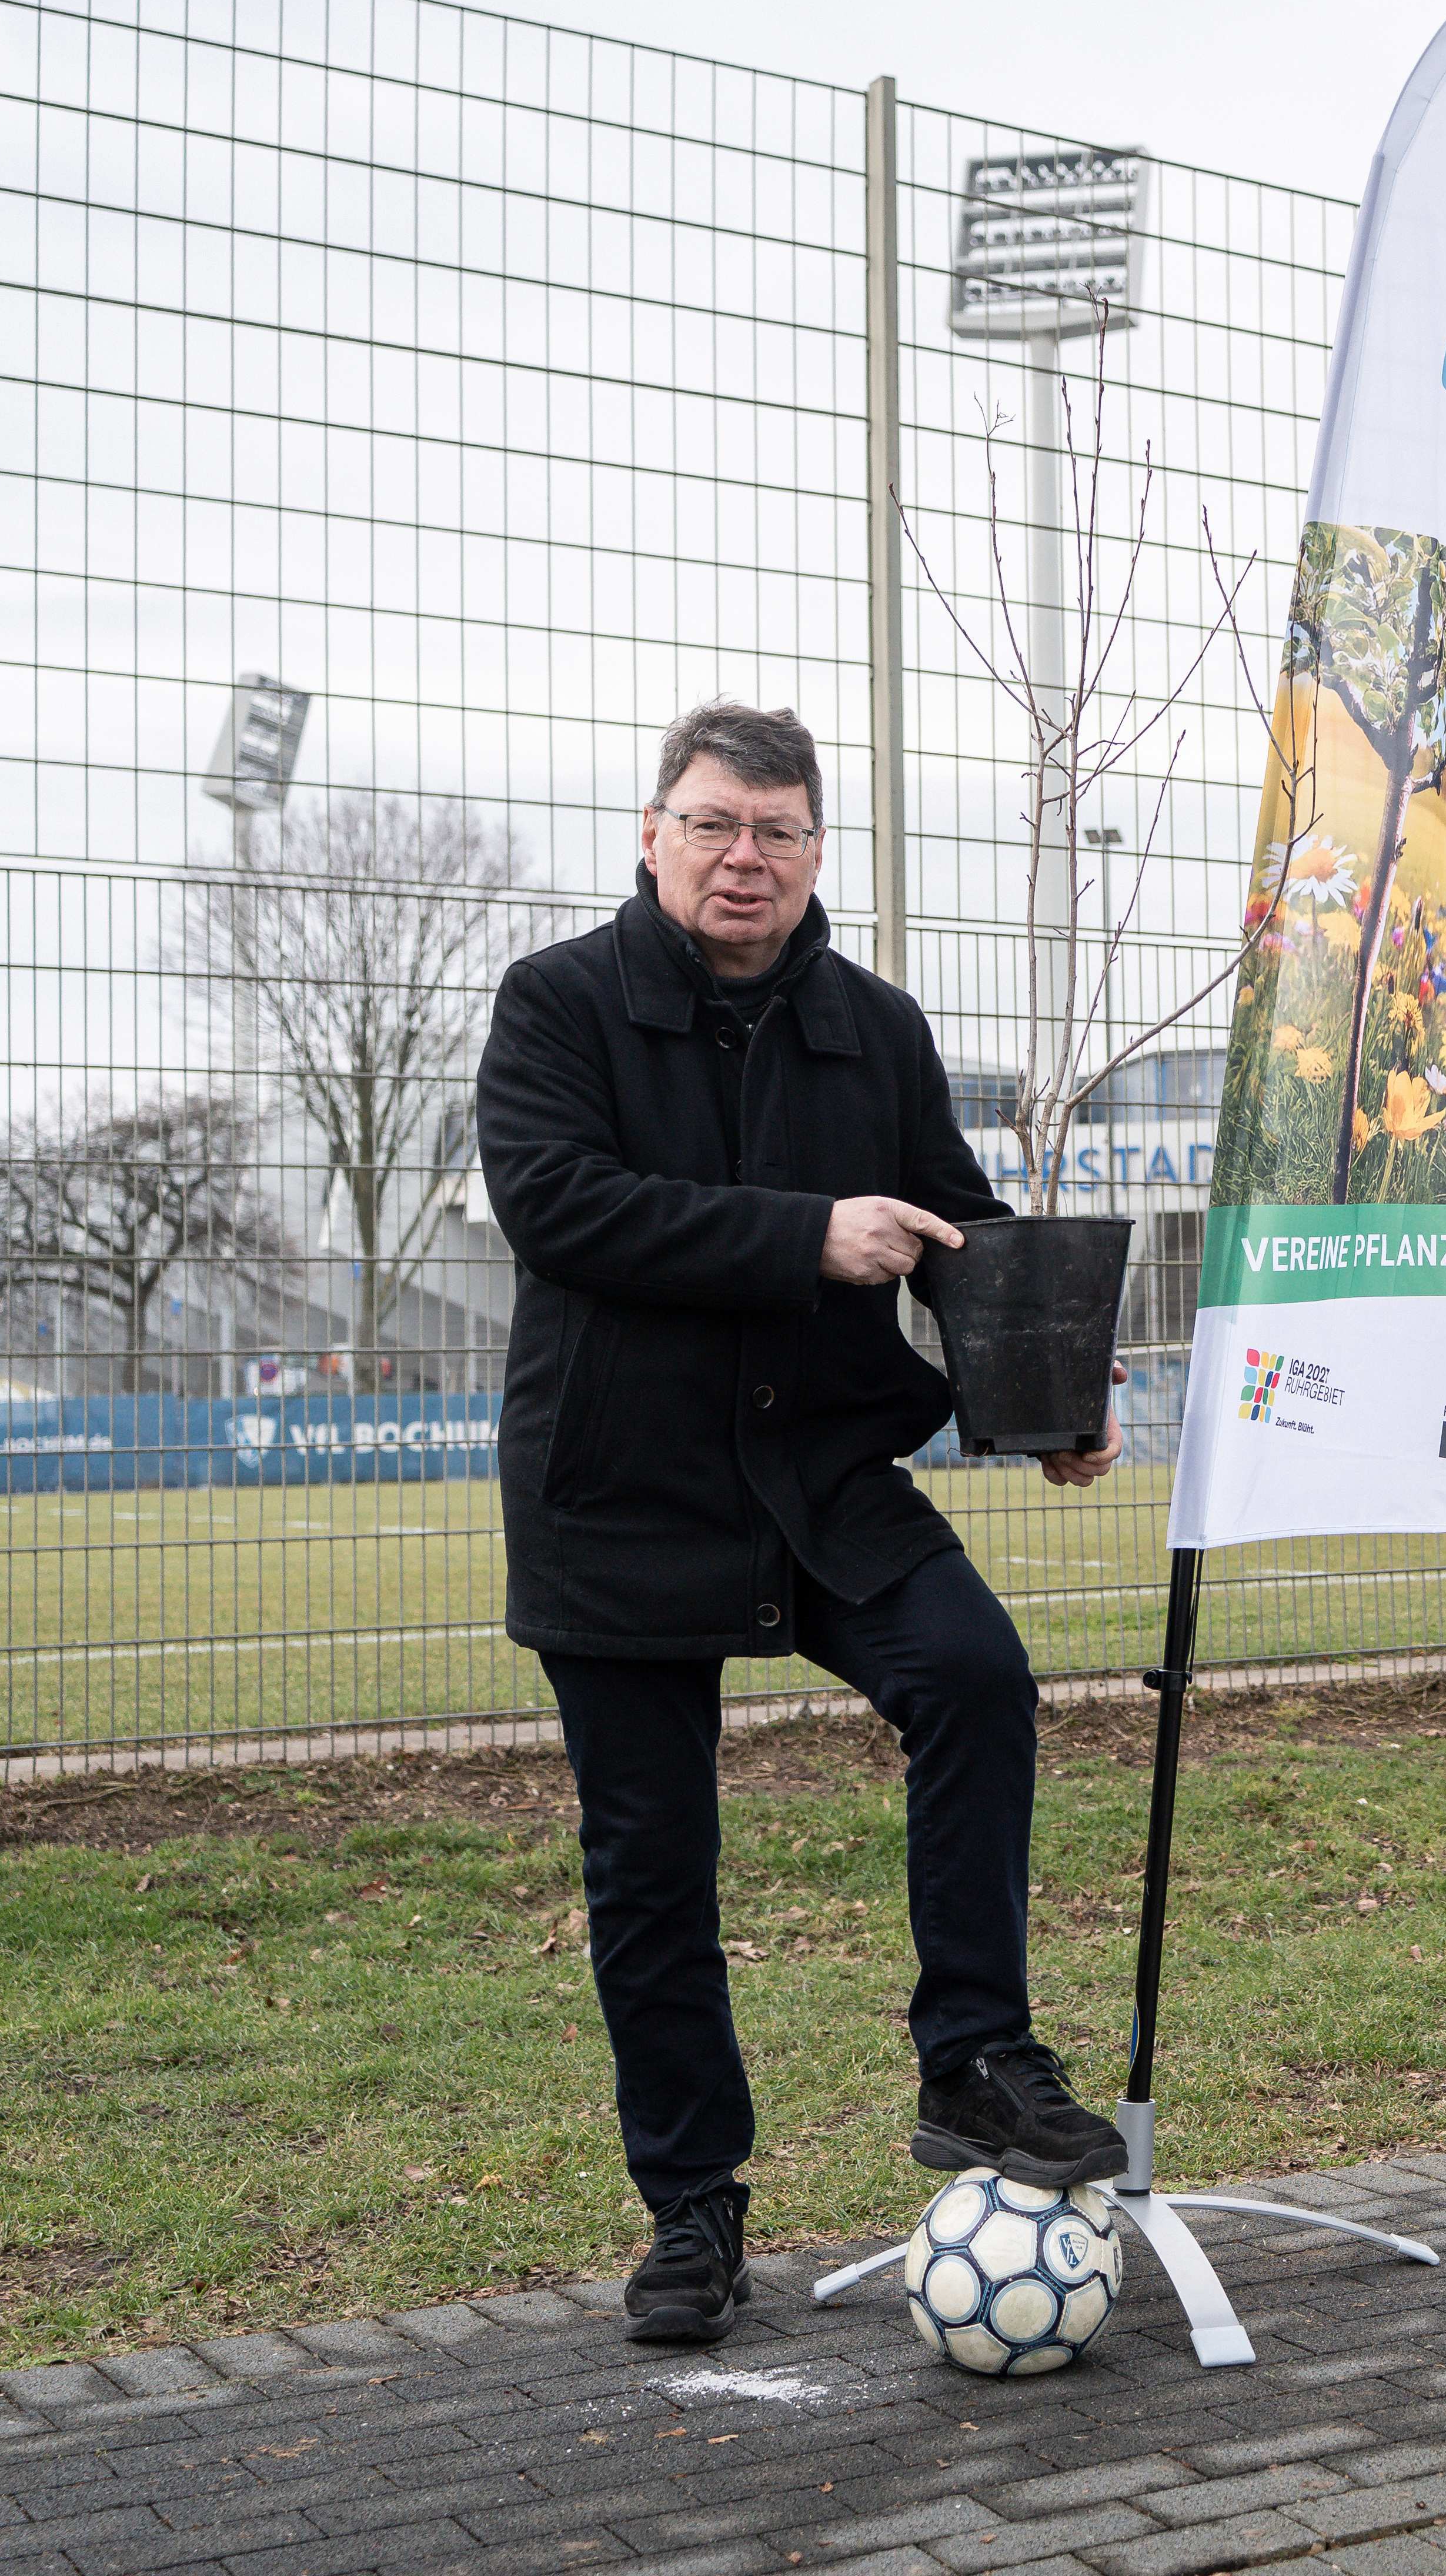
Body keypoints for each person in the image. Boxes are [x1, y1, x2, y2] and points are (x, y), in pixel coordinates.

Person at [475, 699, 1129, 2347]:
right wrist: (801, 1240)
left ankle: (975, 2060)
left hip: (824, 1475)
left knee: (974, 1676)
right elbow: (557, 1208)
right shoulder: (555, 1006)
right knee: (654, 1869)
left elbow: (960, 1227)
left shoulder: (878, 1028)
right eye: (710, 825)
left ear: (817, 849)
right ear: (652, 835)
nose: (741, 857)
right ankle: (692, 2214)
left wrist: (1050, 1389)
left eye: (774, 830)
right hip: (619, 1491)